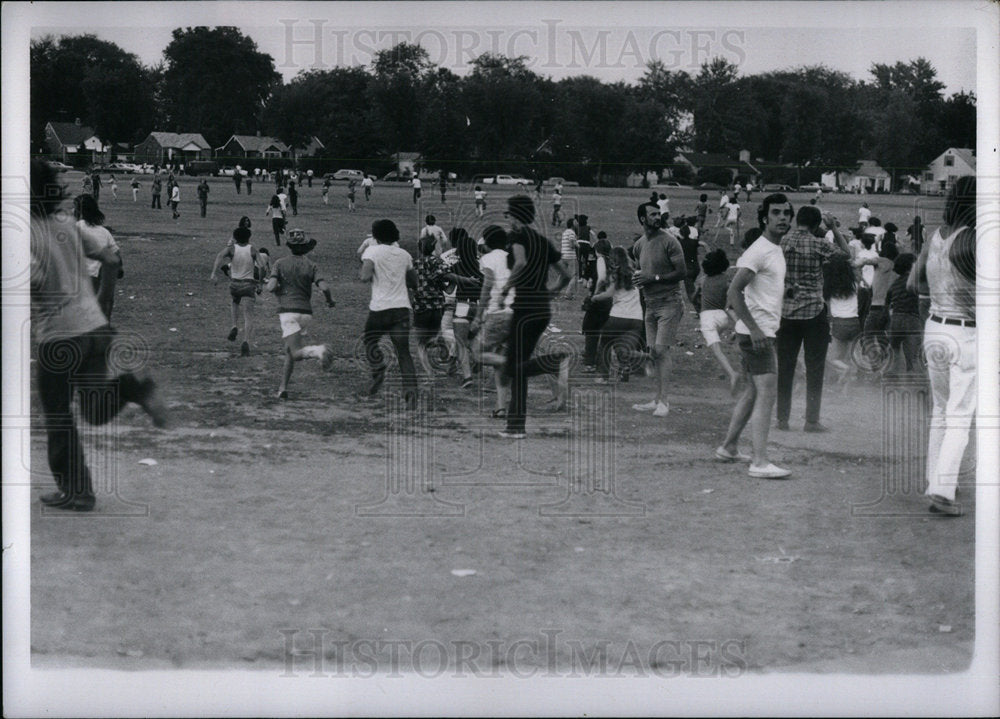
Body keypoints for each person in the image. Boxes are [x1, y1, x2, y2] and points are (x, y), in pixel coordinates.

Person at [30, 159, 167, 511]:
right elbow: (110, 257)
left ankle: (78, 491)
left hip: (59, 337)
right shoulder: (66, 224)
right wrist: (104, 300)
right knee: (94, 409)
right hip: (96, 327)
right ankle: (134, 388)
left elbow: (33, 280)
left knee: (58, 414)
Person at [909, 176, 976, 516]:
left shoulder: (936, 235)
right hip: (965, 332)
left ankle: (936, 480)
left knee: (941, 410)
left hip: (934, 326)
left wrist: (931, 303)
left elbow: (914, 281)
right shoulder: (972, 240)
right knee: (961, 414)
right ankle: (943, 491)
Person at [718, 193, 791, 478]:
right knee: (767, 393)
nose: (782, 218)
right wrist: (756, 328)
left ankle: (729, 447)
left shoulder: (774, 249)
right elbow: (733, 292)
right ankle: (760, 462)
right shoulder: (759, 250)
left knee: (751, 392)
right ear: (764, 217)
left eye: (786, 213)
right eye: (776, 213)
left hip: (758, 332)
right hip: (756, 334)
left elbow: (759, 289)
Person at [499, 195, 571, 438]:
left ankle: (555, 361)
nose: (506, 218)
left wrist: (506, 288)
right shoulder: (542, 241)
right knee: (519, 368)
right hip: (541, 308)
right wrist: (550, 292)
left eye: (508, 213)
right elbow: (566, 275)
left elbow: (519, 263)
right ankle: (515, 426)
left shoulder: (517, 236)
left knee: (512, 366)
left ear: (516, 214)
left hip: (525, 308)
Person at [774, 206, 850, 432]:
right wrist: (834, 229)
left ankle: (782, 418)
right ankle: (811, 420)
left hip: (786, 311)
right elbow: (846, 254)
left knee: (785, 366)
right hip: (813, 311)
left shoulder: (782, 242)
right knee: (815, 367)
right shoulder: (818, 243)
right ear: (817, 225)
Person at [265, 228, 336, 399]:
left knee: (296, 354)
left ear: (289, 245)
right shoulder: (311, 265)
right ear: (305, 246)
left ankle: (319, 351)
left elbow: (271, 287)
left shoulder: (280, 263)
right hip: (305, 313)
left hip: (288, 312)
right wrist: (329, 301)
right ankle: (283, 388)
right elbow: (324, 287)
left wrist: (276, 286)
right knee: (289, 351)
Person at [631, 201, 686, 418]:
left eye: (658, 213)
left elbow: (682, 272)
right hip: (650, 304)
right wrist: (638, 279)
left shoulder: (670, 241)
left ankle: (664, 401)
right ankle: (656, 399)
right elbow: (641, 271)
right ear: (642, 219)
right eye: (652, 214)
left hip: (670, 302)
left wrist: (652, 278)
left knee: (662, 351)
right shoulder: (639, 245)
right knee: (653, 353)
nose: (657, 217)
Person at [359, 219, 419, 408]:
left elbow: (365, 276)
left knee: (370, 340)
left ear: (375, 235)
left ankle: (378, 369)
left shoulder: (372, 251)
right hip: (401, 308)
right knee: (404, 353)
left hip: (380, 307)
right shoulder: (404, 254)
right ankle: (411, 394)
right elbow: (413, 282)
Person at [470, 225, 515, 417]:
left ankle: (513, 363)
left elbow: (487, 287)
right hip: (516, 312)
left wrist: (478, 316)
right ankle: (500, 407)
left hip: (498, 313)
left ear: (487, 243)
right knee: (498, 366)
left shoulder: (488, 259)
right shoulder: (511, 258)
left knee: (477, 353)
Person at [592, 247, 645, 384]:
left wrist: (595, 297)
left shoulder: (616, 274)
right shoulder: (635, 274)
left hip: (619, 315)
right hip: (636, 317)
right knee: (624, 347)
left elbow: (609, 294)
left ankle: (603, 376)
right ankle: (626, 369)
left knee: (605, 343)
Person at [211, 224, 265, 356]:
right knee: (249, 315)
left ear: (235, 237)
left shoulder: (232, 249)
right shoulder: (252, 249)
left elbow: (219, 256)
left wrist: (214, 273)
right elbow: (262, 266)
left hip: (234, 284)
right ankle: (246, 340)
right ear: (249, 238)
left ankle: (234, 325)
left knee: (235, 302)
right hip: (248, 284)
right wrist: (260, 282)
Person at [694, 249, 740, 393]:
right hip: (723, 317)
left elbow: (694, 297)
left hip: (707, 317)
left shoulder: (703, 280)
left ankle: (732, 374)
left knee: (716, 349)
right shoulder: (726, 279)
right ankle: (736, 330)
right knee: (719, 338)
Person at [73, 193, 122, 322]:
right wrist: (119, 269)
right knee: (104, 307)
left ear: (79, 210)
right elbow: (116, 253)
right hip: (101, 275)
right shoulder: (104, 232)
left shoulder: (76, 228)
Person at [411, 232, 449, 380]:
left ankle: (429, 374)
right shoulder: (438, 262)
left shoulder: (415, 263)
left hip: (421, 308)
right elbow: (446, 275)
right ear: (433, 247)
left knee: (421, 344)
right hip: (437, 306)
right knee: (435, 335)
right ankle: (443, 347)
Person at [449, 228, 484, 389]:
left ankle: (467, 376)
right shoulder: (481, 266)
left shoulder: (457, 266)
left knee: (461, 343)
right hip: (477, 305)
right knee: (473, 339)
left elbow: (449, 290)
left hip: (462, 305)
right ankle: (478, 359)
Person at [823, 253, 861, 386]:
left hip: (839, 322)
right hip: (855, 322)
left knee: (833, 358)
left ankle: (844, 371)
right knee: (851, 355)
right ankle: (848, 382)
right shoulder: (854, 284)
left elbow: (827, 305)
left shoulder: (830, 286)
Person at [885, 253, 921, 373]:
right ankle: (916, 386)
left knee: (894, 353)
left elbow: (888, 300)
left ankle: (892, 380)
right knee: (913, 358)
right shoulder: (917, 280)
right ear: (912, 265)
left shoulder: (895, 283)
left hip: (896, 319)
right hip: (912, 319)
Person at [580, 235, 612, 372]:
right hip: (609, 300)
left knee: (590, 329)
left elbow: (602, 277)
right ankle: (603, 363)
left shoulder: (600, 260)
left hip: (600, 300)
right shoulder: (612, 261)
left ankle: (590, 363)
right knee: (604, 331)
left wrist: (595, 294)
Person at [559, 217, 578, 299]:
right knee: (574, 275)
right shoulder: (571, 233)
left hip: (563, 256)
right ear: (573, 224)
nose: (577, 223)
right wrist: (577, 245)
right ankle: (568, 293)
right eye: (576, 222)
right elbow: (571, 245)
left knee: (561, 275)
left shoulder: (565, 232)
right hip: (570, 257)